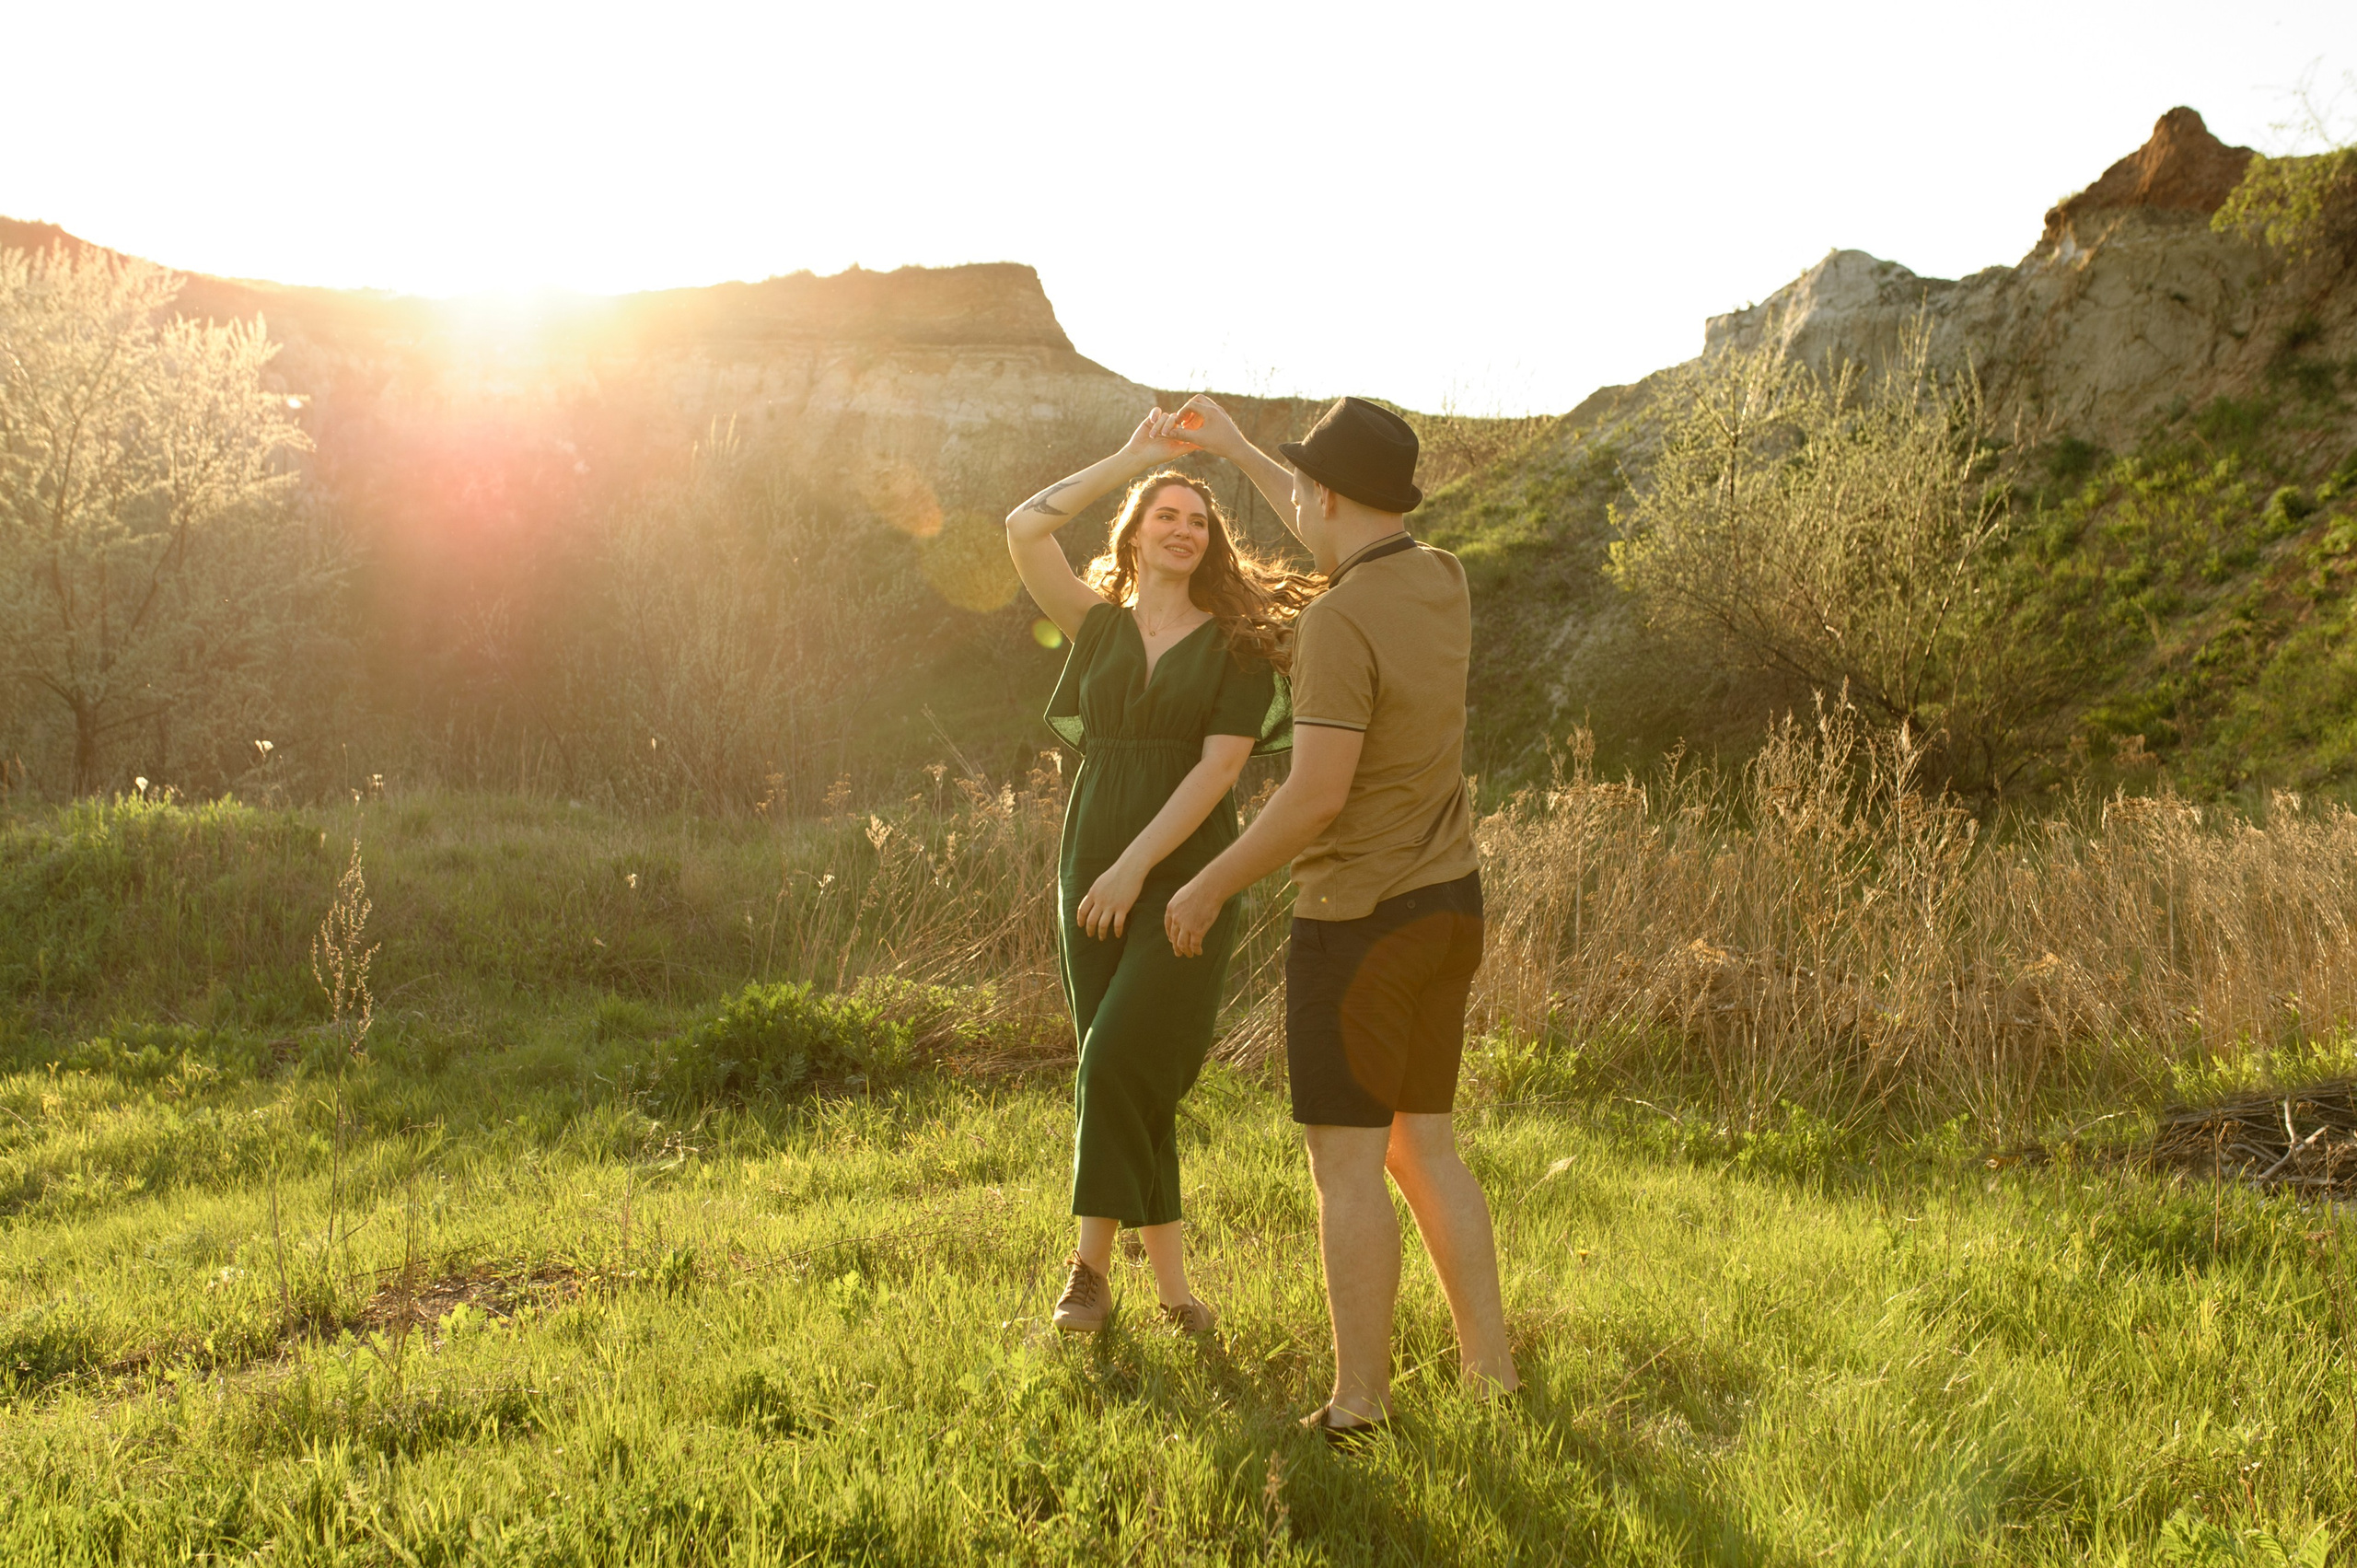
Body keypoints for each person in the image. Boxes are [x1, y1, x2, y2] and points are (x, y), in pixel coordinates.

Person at [1160, 393, 1520, 1444]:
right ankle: (1489, 1374)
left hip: (1357, 921)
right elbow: (1336, 525)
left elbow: (1313, 795)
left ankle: (1360, 1401)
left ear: (1322, 494)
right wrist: (1232, 447)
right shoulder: (1439, 578)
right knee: (1427, 1149)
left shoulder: (1334, 620)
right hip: (1449, 905)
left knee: (1348, 1167)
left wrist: (1207, 881)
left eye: (1303, 489)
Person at [1004, 409, 1309, 1335]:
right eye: (1164, 513)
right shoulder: (1093, 627)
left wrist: (1137, 870)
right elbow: (1022, 527)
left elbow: (1220, 768)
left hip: (1183, 868)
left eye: (1198, 519)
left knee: (1114, 1057)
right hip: (1088, 852)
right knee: (1127, 1071)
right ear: (1133, 533)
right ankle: (1177, 1296)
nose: (1182, 527)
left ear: (1211, 544)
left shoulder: (1237, 640)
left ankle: (1088, 1273)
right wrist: (1133, 459)